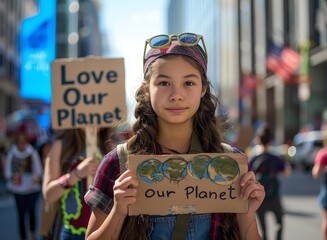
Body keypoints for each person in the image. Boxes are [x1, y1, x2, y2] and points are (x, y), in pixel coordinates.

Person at [84, 32, 265, 239]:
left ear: (203, 89)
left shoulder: (232, 165)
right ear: (146, 90)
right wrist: (118, 211)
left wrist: (247, 214)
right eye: (163, 83)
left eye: (188, 83)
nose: (176, 95)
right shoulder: (118, 163)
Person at [42, 128, 113, 240]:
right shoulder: (61, 144)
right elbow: (49, 194)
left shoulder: (111, 142)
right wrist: (76, 174)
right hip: (72, 232)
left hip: (105, 230)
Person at [248, 124, 292, 240]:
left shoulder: (253, 158)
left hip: (258, 198)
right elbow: (287, 173)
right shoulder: (276, 157)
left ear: (258, 140)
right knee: (279, 223)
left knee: (263, 230)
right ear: (271, 141)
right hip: (273, 196)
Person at [5, 133, 43, 240]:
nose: (22, 144)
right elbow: (7, 172)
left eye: (24, 142)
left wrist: (35, 177)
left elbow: (38, 171)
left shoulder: (32, 153)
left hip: (32, 189)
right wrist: (13, 177)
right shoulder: (12, 154)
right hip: (18, 190)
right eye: (20, 142)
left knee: (31, 212)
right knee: (21, 215)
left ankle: (32, 235)